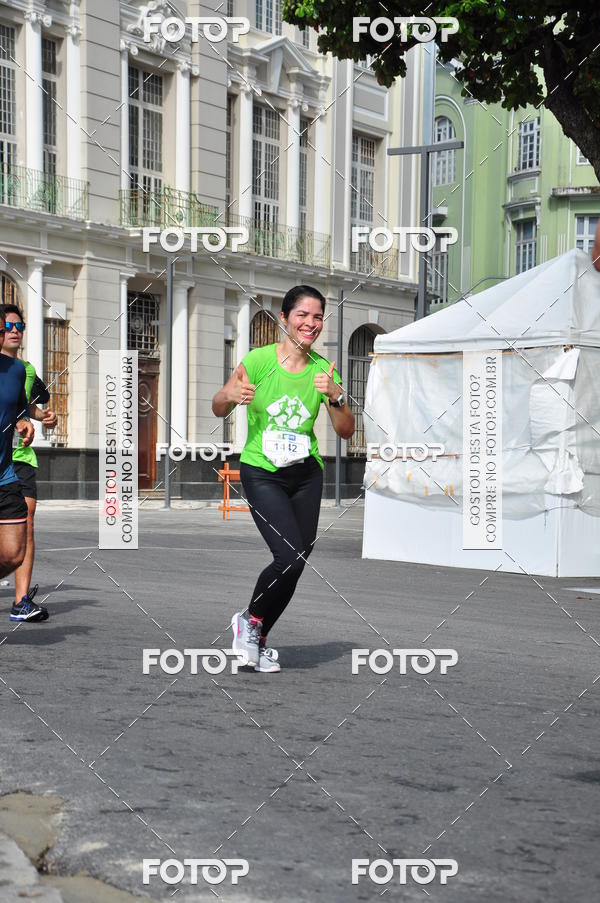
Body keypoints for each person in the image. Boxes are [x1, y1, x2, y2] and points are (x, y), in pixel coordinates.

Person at [212, 285, 355, 672]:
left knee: (298, 560)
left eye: (318, 317)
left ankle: (256, 635)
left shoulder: (324, 370)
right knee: (288, 556)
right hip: (262, 471)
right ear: (285, 319)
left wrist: (338, 397)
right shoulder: (258, 361)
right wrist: (231, 393)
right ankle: (250, 622)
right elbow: (218, 405)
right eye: (303, 315)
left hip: (306, 474)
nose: (311, 323)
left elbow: (346, 431)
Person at [1, 304, 56, 621]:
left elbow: (26, 405)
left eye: (19, 327)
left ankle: (20, 600)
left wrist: (35, 417)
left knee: (24, 528)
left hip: (16, 459)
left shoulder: (24, 370)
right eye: (8, 326)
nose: (13, 332)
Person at [0, 306, 39, 617]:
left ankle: (20, 600)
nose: (7, 334)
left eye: (6, 329)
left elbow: (20, 410)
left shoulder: (16, 370)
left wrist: (25, 422)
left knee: (14, 552)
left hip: (4, 474)